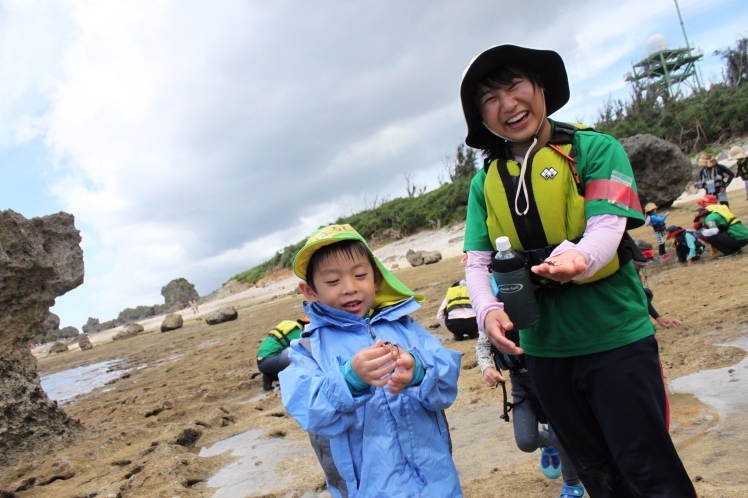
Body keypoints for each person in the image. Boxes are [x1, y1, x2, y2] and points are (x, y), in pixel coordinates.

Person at [459, 44, 695, 496]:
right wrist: (487, 310)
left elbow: (607, 228)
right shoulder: (484, 183)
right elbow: (477, 261)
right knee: (596, 472)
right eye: (490, 98)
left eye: (515, 87)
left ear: (541, 89)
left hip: (615, 340)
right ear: (481, 118)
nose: (508, 105)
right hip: (545, 353)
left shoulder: (596, 149)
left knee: (647, 467)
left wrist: (580, 259)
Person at [279, 223, 462, 498]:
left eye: (360, 275)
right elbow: (309, 408)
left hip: (437, 482)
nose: (350, 288)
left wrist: (419, 371)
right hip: (369, 488)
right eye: (332, 281)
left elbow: (446, 381)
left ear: (375, 279)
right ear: (310, 291)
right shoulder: (308, 348)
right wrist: (349, 378)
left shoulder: (405, 327)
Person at [476, 329, 584, 498]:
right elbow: (483, 344)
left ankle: (572, 483)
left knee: (559, 437)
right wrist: (486, 368)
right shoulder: (491, 309)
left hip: (552, 379)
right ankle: (550, 443)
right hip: (521, 387)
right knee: (526, 442)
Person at [256, 317, 309, 391]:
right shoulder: (298, 332)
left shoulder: (289, 325)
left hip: (261, 362)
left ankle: (271, 379)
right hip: (269, 361)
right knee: (300, 354)